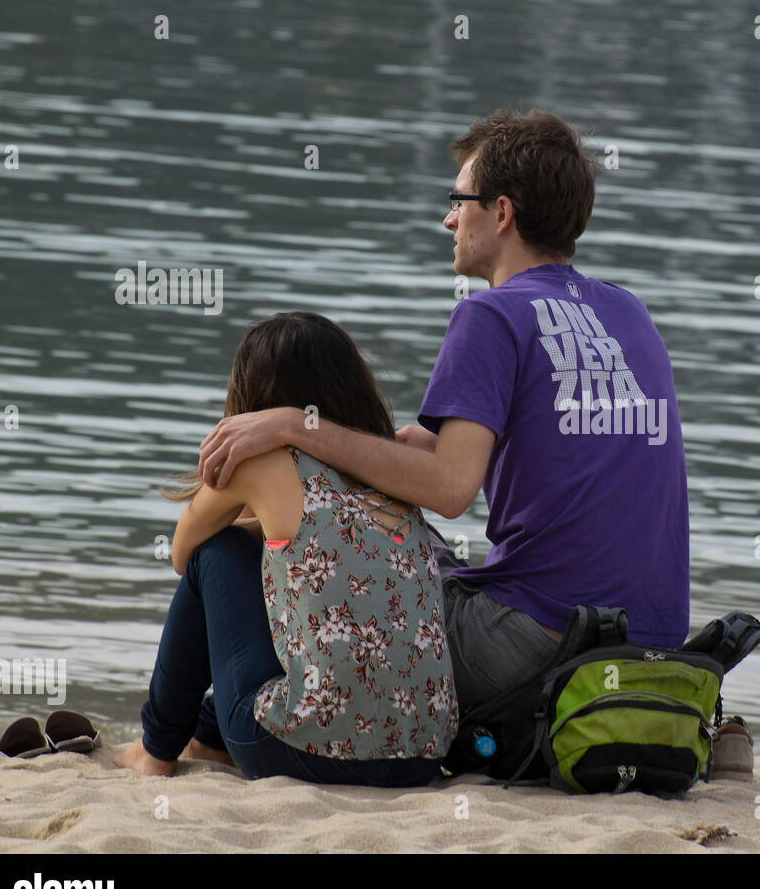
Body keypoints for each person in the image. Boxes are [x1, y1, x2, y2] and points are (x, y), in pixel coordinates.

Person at [196, 107, 690, 716]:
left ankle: (216, 724)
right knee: (393, 530)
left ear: (502, 212)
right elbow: (491, 449)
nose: (448, 218)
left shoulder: (491, 315)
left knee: (329, 549)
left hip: (541, 645)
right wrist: (393, 447)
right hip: (653, 651)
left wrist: (296, 425)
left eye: (459, 200)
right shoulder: (628, 313)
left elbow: (450, 488)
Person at [116, 312, 456, 785]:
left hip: (303, 753)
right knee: (302, 595)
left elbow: (182, 552)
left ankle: (155, 751)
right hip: (420, 757)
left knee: (217, 553)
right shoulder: (390, 468)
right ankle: (208, 739)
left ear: (255, 404)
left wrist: (249, 519)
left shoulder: (264, 462)